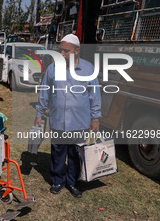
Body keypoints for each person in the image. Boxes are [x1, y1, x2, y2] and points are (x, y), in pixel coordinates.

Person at [34, 34, 101, 198]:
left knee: (75, 154)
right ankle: (58, 181)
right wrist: (39, 113)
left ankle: (73, 182)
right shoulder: (53, 68)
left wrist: (95, 117)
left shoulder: (88, 69)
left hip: (80, 121)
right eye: (60, 50)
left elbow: (95, 95)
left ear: (77, 51)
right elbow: (45, 92)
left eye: (66, 51)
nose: (62, 54)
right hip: (58, 120)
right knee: (57, 151)